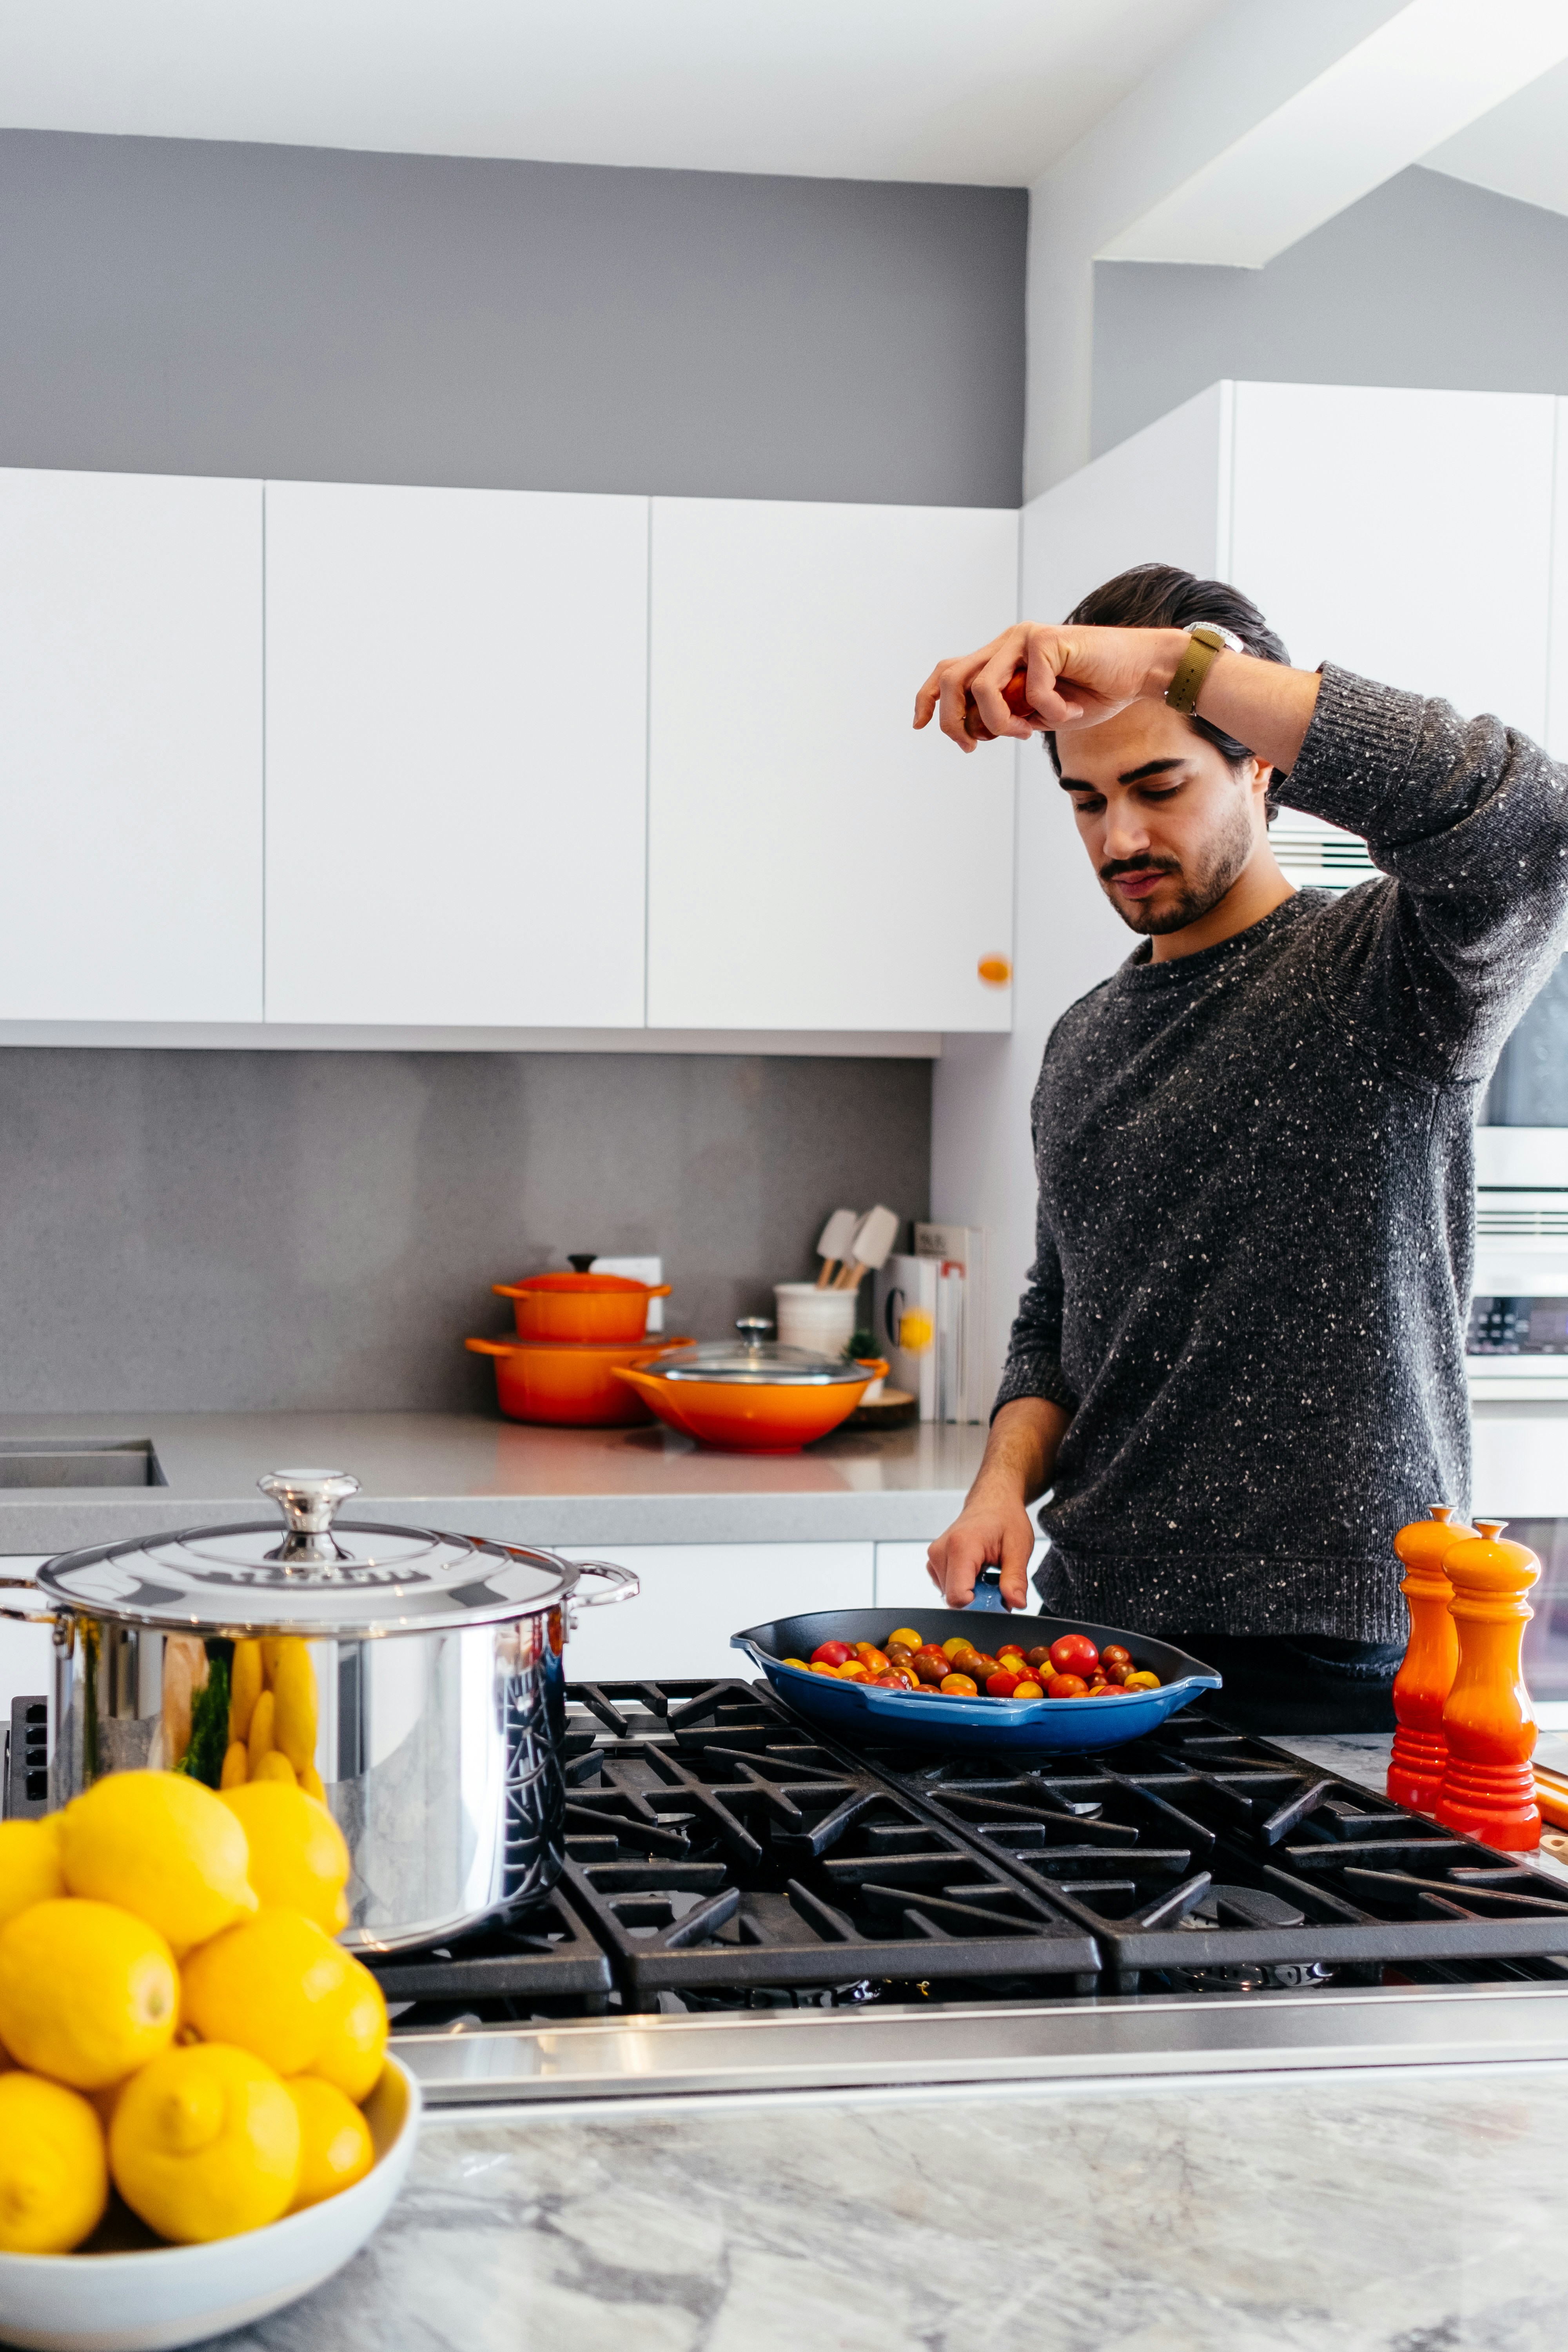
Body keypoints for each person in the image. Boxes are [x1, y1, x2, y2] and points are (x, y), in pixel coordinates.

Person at [915, 563, 1568, 1733]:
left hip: (1339, 1661)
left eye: (1158, 785)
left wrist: (1174, 664)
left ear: (1260, 765)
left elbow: (1531, 824)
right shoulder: (1082, 1040)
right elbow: (1060, 1324)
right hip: (1097, 1643)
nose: (1119, 837)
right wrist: (1001, 1487)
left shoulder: (1391, 975)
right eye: (1085, 800)